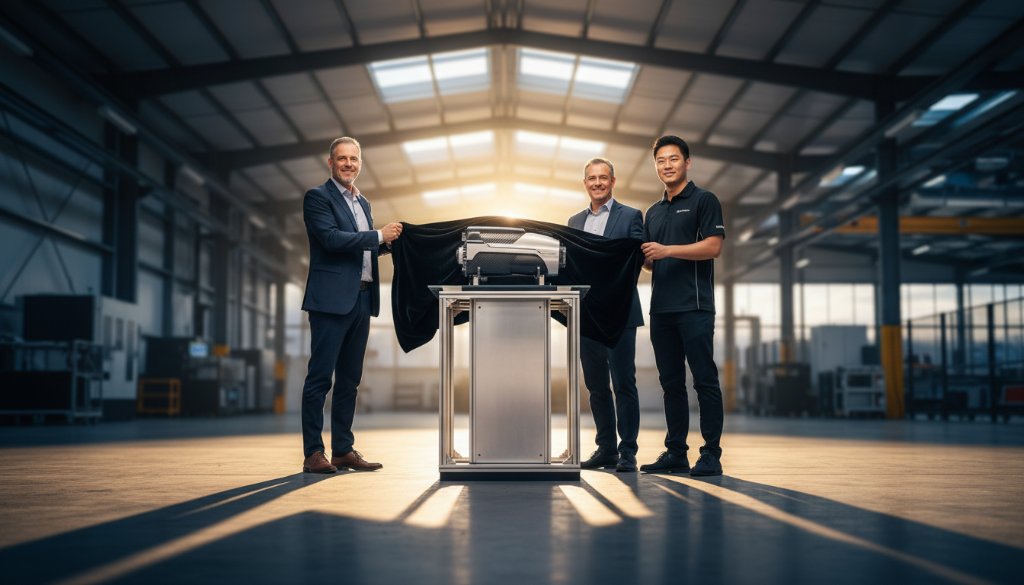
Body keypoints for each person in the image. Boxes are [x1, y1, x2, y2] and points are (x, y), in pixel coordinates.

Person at [300, 136, 402, 474]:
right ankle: (314, 453)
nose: (348, 164)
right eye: (341, 159)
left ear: (360, 163)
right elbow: (331, 240)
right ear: (330, 163)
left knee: (350, 381)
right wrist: (377, 236)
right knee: (319, 379)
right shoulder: (318, 197)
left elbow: (363, 248)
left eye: (353, 159)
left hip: (361, 299)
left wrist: (393, 244)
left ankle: (343, 449)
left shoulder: (363, 203)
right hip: (330, 301)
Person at [639, 135, 726, 477]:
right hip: (661, 310)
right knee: (671, 383)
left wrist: (667, 250)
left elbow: (713, 247)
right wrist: (644, 258)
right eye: (661, 160)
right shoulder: (654, 211)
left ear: (687, 163)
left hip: (695, 306)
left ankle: (711, 454)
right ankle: (676, 452)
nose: (667, 165)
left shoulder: (705, 200)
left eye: (673, 159)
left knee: (704, 380)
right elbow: (650, 261)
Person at [568, 157, 644, 473]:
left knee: (624, 382)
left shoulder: (631, 216)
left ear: (613, 181)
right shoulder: (574, 222)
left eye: (603, 178)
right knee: (597, 385)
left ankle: (628, 452)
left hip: (621, 311)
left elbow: (636, 261)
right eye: (591, 178)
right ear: (585, 183)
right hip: (588, 315)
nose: (597, 183)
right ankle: (606, 449)